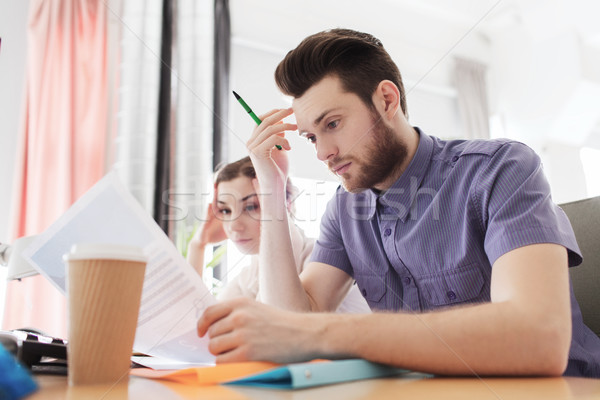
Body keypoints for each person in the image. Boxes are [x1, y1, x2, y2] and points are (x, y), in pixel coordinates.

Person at [197, 29, 600, 377]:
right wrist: (270, 184)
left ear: (387, 100)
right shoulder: (345, 210)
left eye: (332, 124)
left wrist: (321, 335)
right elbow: (294, 320)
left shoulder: (500, 169)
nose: (323, 153)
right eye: (311, 137)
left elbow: (536, 337)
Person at [186, 151, 370, 313]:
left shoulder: (325, 261)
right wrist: (198, 245)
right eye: (225, 210)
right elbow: (201, 329)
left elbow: (275, 326)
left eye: (251, 207)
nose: (234, 226)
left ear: (286, 203)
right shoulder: (248, 277)